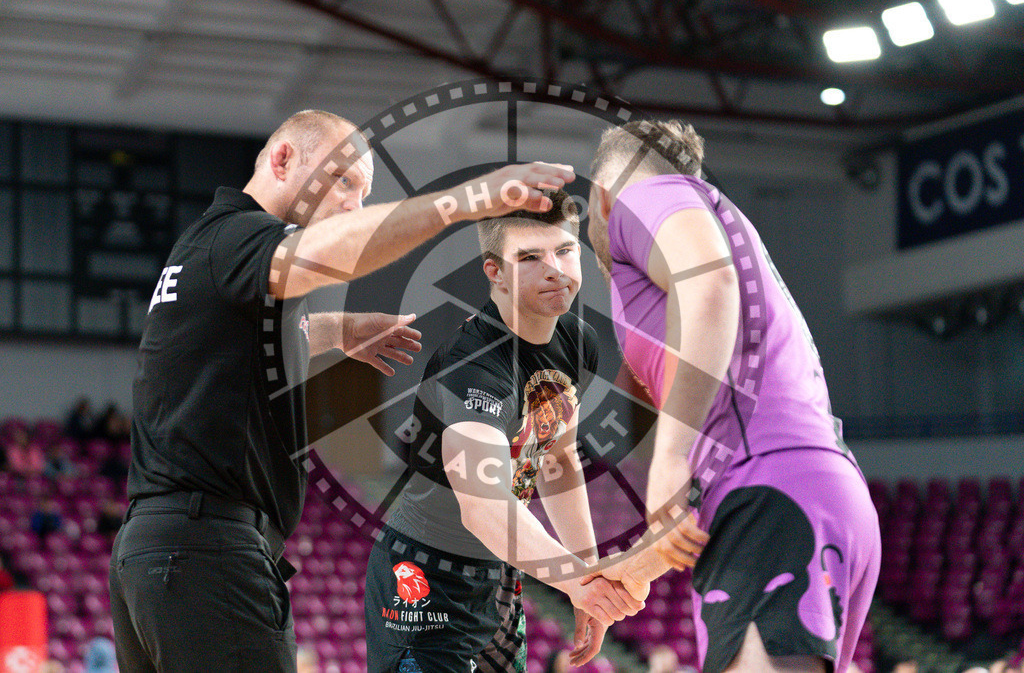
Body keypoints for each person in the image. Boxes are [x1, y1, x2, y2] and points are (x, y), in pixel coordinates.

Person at [108, 108, 575, 673]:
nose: (354, 203)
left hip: (155, 555)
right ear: (283, 160)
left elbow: (214, 334)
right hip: (207, 552)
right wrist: (470, 198)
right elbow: (339, 251)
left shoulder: (205, 249)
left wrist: (334, 331)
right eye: (345, 181)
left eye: (364, 190)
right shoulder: (240, 236)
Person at [585, 119, 881, 673]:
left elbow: (710, 284)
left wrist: (669, 455)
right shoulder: (720, 228)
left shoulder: (639, 194)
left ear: (600, 198)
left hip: (775, 498)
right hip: (806, 494)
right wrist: (627, 574)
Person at [364, 190, 642, 673]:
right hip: (425, 575)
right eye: (530, 257)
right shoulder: (472, 366)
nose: (554, 268)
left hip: (499, 577)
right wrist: (578, 582)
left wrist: (586, 577)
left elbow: (557, 461)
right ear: (496, 273)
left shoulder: (578, 340)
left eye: (565, 250)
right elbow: (485, 506)